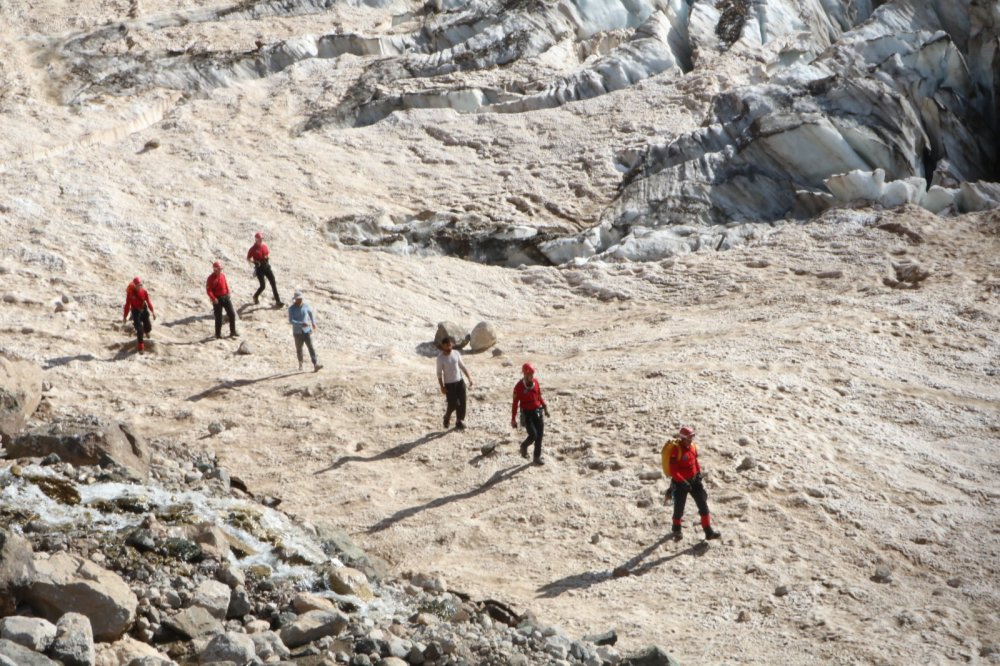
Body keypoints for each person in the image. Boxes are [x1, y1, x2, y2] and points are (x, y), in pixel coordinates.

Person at [662, 426, 721, 541]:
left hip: (694, 481)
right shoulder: (676, 450)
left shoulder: (693, 447)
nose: (691, 439)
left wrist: (698, 473)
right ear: (683, 438)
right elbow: (674, 471)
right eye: (689, 437)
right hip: (680, 484)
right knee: (679, 507)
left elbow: (695, 462)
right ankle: (676, 529)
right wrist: (683, 482)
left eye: (692, 437)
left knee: (703, 505)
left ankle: (708, 531)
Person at [511, 362, 549, 465]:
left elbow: (539, 396)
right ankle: (524, 446)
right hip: (527, 414)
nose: (531, 377)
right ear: (524, 374)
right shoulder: (518, 387)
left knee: (540, 436)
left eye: (532, 374)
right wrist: (513, 419)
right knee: (533, 435)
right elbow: (515, 404)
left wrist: (545, 407)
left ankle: (536, 457)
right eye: (529, 375)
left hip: (537, 411)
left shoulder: (536, 383)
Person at [436, 336, 473, 430]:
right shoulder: (440, 358)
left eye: (450, 345)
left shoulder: (456, 353)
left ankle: (459, 421)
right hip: (449, 384)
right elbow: (439, 374)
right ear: (443, 346)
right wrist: (442, 387)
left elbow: (462, 366)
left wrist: (469, 377)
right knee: (453, 404)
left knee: (463, 402)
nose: (449, 347)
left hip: (460, 381)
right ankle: (447, 416)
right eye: (447, 346)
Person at [287, 289, 322, 372]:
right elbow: (291, 320)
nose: (299, 301)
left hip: (306, 331)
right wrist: (301, 323)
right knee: (299, 349)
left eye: (300, 299)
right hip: (297, 332)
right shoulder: (291, 309)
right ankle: (300, 363)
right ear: (295, 299)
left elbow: (310, 313)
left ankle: (315, 364)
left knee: (311, 347)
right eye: (298, 299)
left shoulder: (306, 306)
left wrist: (313, 322)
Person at [246, 231, 283, 307]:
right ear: (256, 239)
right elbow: (248, 258)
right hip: (259, 268)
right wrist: (254, 262)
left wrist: (266, 258)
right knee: (263, 286)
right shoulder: (252, 249)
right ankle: (255, 296)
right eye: (259, 239)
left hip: (266, 266)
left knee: (273, 282)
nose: (261, 240)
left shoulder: (264, 246)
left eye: (261, 239)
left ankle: (278, 301)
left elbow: (266, 254)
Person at [122, 276, 155, 352]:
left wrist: (152, 311)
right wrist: (125, 316)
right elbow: (127, 305)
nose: (139, 287)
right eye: (138, 285)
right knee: (139, 330)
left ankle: (146, 331)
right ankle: (141, 346)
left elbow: (148, 301)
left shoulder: (144, 292)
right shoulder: (130, 294)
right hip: (136, 312)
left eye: (140, 285)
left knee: (148, 327)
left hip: (144, 310)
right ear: (134, 286)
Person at [206, 261, 238, 339]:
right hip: (217, 299)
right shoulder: (210, 278)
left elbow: (225, 284)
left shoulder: (222, 276)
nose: (220, 270)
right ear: (215, 269)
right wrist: (213, 298)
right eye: (219, 269)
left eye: (221, 269)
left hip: (225, 297)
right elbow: (208, 290)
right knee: (218, 318)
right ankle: (218, 334)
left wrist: (228, 292)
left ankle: (232, 332)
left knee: (232, 314)